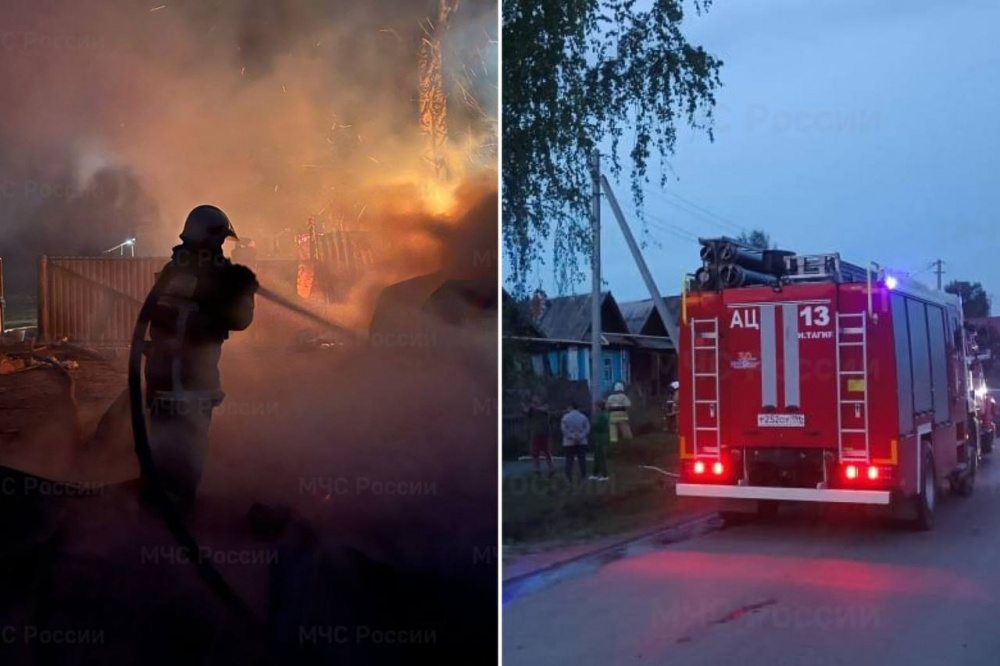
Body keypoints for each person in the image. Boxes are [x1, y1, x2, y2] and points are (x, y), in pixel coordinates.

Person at [143, 204, 259, 510]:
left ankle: (159, 514)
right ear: (210, 239)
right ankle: (177, 520)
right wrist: (243, 289)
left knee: (164, 449)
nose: (221, 248)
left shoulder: (173, 271)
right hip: (192, 383)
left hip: (162, 379)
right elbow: (239, 320)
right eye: (220, 241)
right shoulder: (218, 279)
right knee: (188, 455)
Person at [560, 400, 590, 481]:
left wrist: (571, 436)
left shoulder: (565, 417)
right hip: (582, 441)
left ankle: (568, 477)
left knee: (569, 460)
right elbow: (587, 428)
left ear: (570, 407)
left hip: (569, 442)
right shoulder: (583, 417)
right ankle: (584, 476)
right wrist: (581, 436)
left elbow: (564, 429)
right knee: (582, 460)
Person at [525, 395, 554, 476]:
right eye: (533, 399)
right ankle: (537, 470)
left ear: (540, 400)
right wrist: (529, 408)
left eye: (537, 399)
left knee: (547, 452)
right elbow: (526, 411)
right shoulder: (531, 409)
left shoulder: (545, 407)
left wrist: (535, 407)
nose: (535, 401)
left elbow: (545, 410)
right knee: (535, 453)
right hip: (535, 433)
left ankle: (551, 469)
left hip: (545, 433)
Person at [589, 400, 610, 481]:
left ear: (599, 407)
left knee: (601, 457)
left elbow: (598, 426)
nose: (595, 408)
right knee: (597, 457)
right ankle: (595, 473)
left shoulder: (602, 415)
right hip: (599, 438)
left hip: (601, 439)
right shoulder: (602, 415)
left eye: (596, 406)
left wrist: (593, 425)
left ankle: (604, 475)